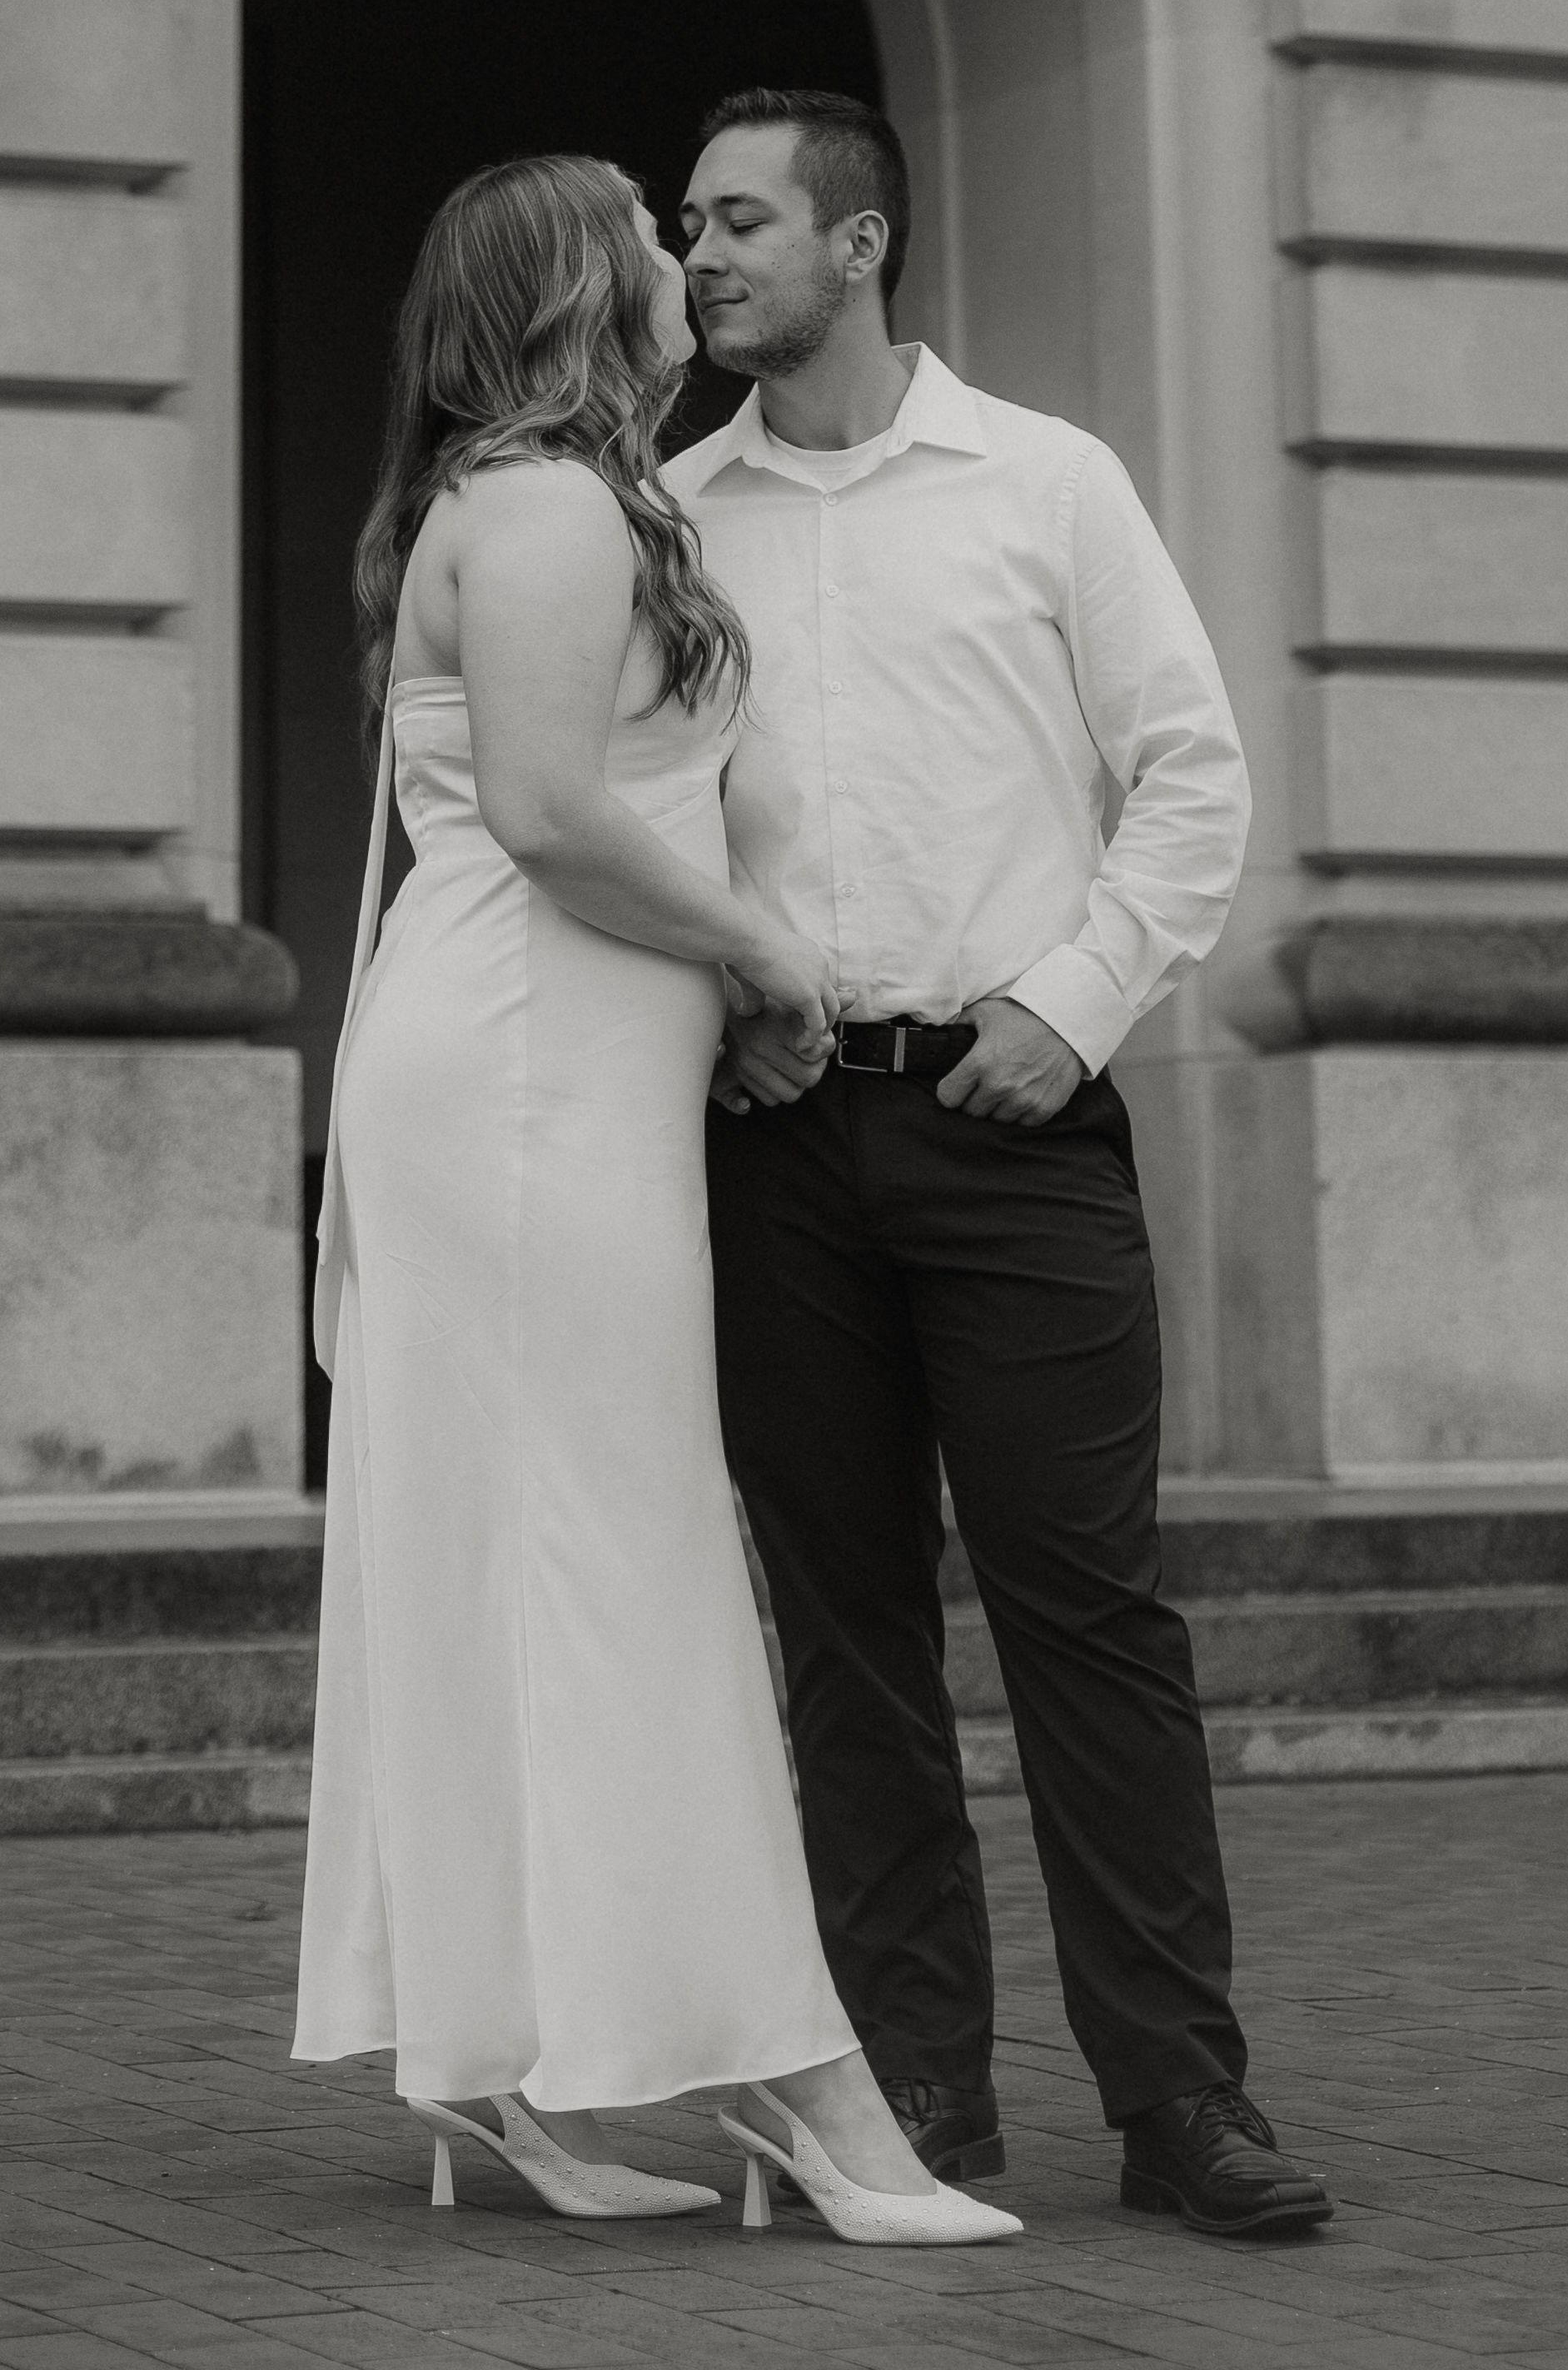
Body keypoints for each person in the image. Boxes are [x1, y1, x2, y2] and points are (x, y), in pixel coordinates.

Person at [290, 152, 1025, 2248]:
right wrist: (765, 958)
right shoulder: (537, 509)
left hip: (569, 1075)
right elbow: (543, 812)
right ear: (564, 288)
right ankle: (798, 2081)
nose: (675, 251)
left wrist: (727, 975)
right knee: (635, 1561)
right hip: (519, 1077)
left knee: (547, 1558)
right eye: (640, 225)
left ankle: (503, 2059)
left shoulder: (573, 502)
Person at [673, 87, 1337, 2243]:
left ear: (858, 243)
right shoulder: (670, 520)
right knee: (846, 1637)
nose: (702, 257)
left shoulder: (1049, 482)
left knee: (1090, 1621)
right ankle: (923, 2108)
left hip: (1014, 1119)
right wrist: (717, 1006)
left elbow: (1192, 777)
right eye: (692, 224)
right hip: (776, 1141)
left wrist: (1071, 1004)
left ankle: (1180, 2097)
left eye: (741, 220)